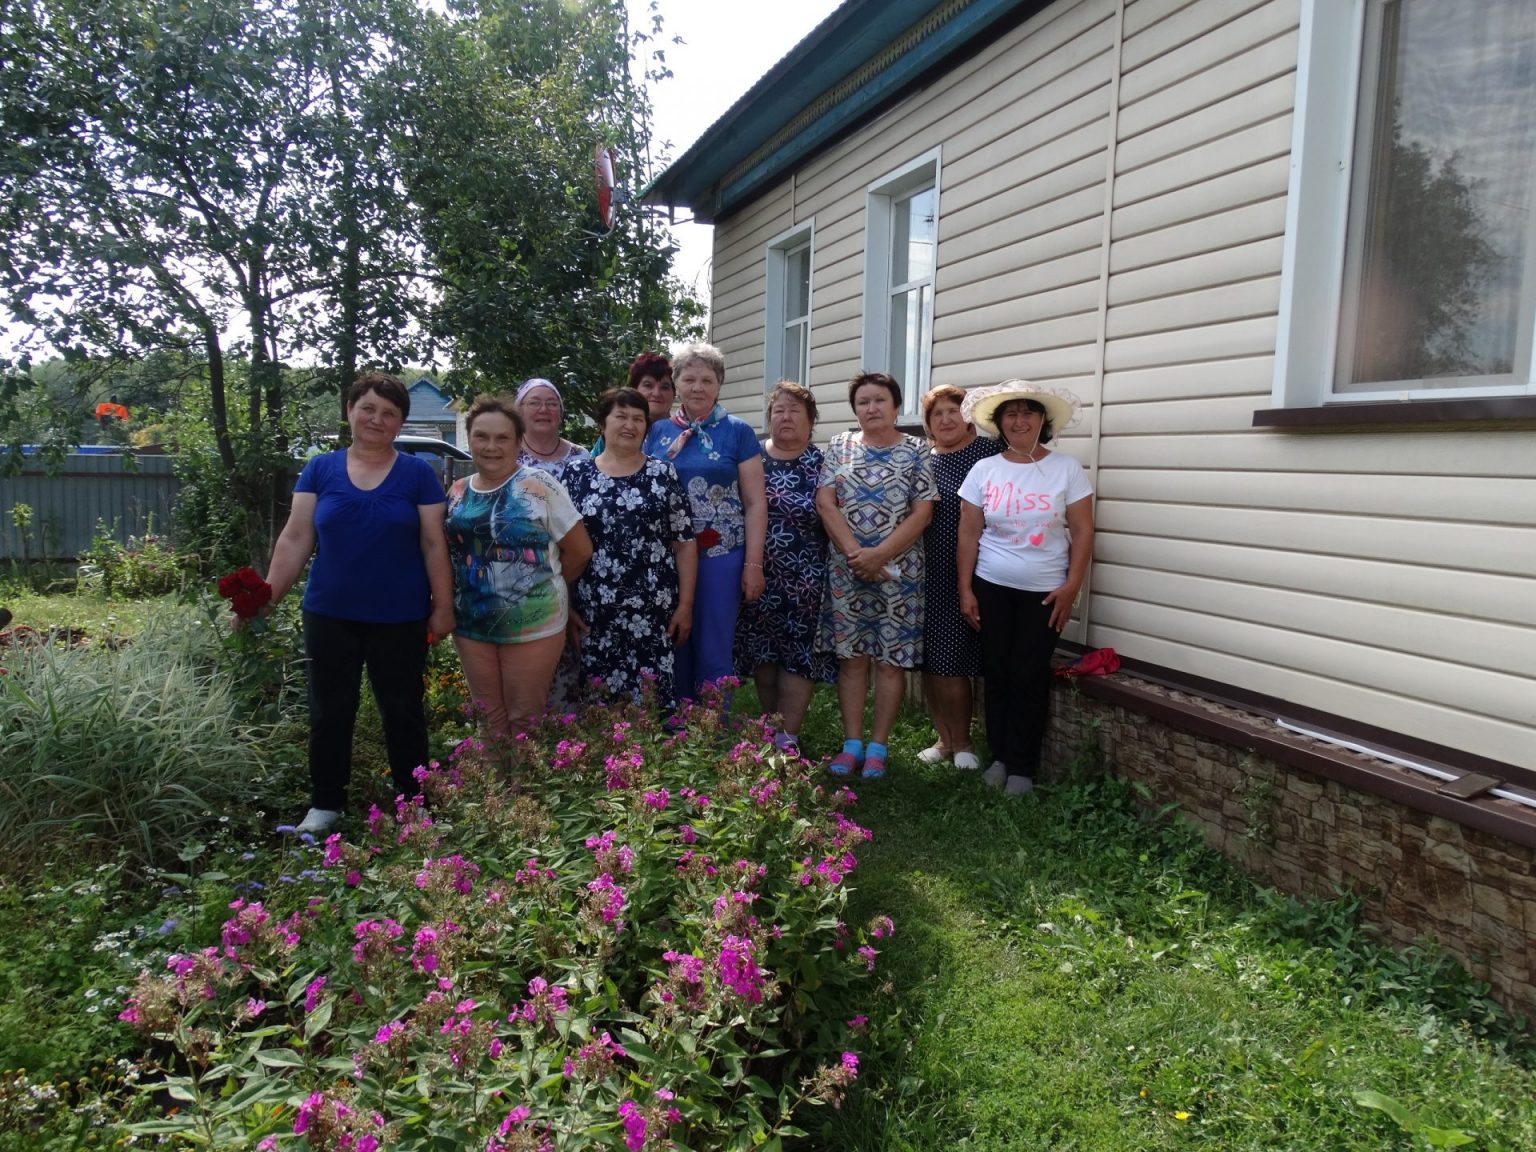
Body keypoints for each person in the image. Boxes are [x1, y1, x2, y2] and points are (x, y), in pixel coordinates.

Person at [265, 372, 455, 835]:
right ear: (349, 410)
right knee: (330, 711)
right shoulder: (320, 469)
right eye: (368, 408)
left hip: (400, 615)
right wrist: (265, 596)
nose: (377, 419)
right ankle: (326, 803)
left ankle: (413, 805)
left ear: (400, 423)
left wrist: (443, 605)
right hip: (330, 613)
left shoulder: (417, 475)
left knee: (403, 712)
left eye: (389, 413)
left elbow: (434, 544)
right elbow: (295, 537)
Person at [957, 380, 1095, 796]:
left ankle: (1022, 767)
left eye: (1028, 412)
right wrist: (965, 588)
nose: (1019, 420)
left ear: (1043, 421)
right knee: (997, 671)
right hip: (991, 586)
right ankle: (999, 755)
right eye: (1010, 413)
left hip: (1046, 593)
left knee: (1029, 674)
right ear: (999, 423)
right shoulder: (984, 470)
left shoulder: (1066, 469)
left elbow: (1083, 530)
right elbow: (969, 533)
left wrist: (1072, 586)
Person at [445, 394, 592, 744]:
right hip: (471, 624)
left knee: (525, 720)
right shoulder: (457, 491)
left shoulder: (538, 485)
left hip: (534, 624)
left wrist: (544, 583)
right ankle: (493, 798)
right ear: (470, 439)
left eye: (502, 438)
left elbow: (580, 550)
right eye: (482, 436)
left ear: (516, 441)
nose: (491, 446)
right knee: (488, 721)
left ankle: (524, 797)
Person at [816, 372, 936, 780]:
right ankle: (851, 744)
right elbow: (825, 501)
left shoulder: (918, 449)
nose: (871, 408)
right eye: (863, 402)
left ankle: (878, 747)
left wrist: (880, 554)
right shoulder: (839, 445)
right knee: (851, 659)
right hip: (847, 570)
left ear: (896, 406)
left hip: (899, 574)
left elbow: (923, 511)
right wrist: (856, 554)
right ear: (855, 410)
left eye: (879, 400)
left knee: (889, 661)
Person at [642, 342, 766, 699]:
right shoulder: (656, 432)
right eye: (690, 378)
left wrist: (753, 563)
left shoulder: (738, 432)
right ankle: (676, 733)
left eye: (707, 380)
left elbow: (755, 502)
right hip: (665, 557)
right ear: (676, 382)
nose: (698, 387)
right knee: (674, 641)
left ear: (719, 384)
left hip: (721, 555)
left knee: (714, 646)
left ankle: (712, 737)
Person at [564, 388, 698, 711]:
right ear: (602, 423)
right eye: (621, 416)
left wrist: (685, 606)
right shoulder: (576, 475)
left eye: (638, 418)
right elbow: (562, 548)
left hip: (653, 614)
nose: (630, 424)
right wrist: (565, 606)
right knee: (599, 710)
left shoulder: (663, 474)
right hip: (594, 613)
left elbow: (684, 544)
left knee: (652, 709)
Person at [733, 381, 835, 758]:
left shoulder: (824, 463)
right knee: (763, 654)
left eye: (795, 410)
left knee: (796, 656)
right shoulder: (751, 458)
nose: (786, 416)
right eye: (779, 410)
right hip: (755, 572)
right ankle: (770, 726)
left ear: (811, 422)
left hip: (806, 577)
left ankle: (788, 738)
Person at [917, 384, 1002, 772]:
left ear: (968, 416)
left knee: (951, 659)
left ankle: (964, 742)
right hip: (921, 573)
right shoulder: (922, 458)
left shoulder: (987, 453)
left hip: (966, 570)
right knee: (931, 660)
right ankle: (944, 740)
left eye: (954, 411)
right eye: (937, 414)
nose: (946, 419)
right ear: (929, 424)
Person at [515, 378, 590, 475]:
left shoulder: (580, 455)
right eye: (534, 403)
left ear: (560, 413)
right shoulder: (507, 453)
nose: (543, 409)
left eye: (552, 404)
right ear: (519, 411)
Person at [628, 350, 675, 424]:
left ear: (674, 393)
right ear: (634, 389)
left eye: (664, 387)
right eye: (648, 385)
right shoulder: (617, 432)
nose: (657, 394)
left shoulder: (688, 434)